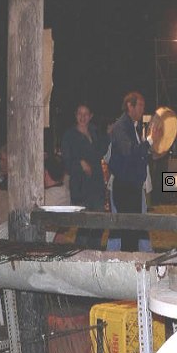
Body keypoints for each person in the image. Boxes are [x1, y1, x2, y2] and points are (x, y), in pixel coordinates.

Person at [109, 92, 161, 252]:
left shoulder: (133, 126)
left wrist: (152, 152)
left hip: (132, 186)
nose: (142, 109)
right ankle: (128, 262)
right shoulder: (121, 126)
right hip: (125, 187)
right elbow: (129, 152)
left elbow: (137, 154)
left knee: (133, 231)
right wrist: (150, 140)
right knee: (129, 232)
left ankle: (131, 260)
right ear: (129, 106)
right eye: (140, 105)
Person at [61, 104, 109, 249]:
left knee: (99, 223)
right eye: (79, 114)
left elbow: (101, 151)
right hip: (81, 187)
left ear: (90, 116)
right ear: (75, 115)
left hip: (96, 185)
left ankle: (94, 254)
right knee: (84, 226)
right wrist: (80, 163)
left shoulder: (94, 132)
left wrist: (108, 134)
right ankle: (79, 254)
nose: (82, 117)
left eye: (86, 114)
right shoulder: (69, 136)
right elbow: (66, 162)